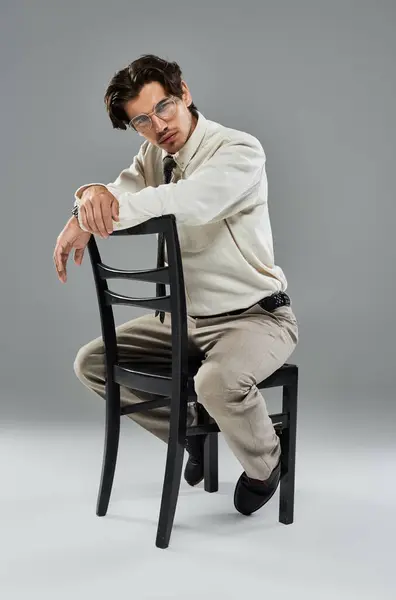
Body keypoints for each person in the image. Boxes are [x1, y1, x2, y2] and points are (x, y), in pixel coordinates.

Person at [53, 54, 299, 516]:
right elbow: (117, 189)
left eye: (163, 106)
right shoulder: (153, 155)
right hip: (186, 321)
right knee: (93, 362)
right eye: (142, 120)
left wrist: (94, 216)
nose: (158, 125)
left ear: (184, 93)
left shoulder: (239, 150)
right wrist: (84, 201)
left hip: (256, 316)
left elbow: (190, 201)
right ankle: (189, 435)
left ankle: (269, 460)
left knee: (216, 381)